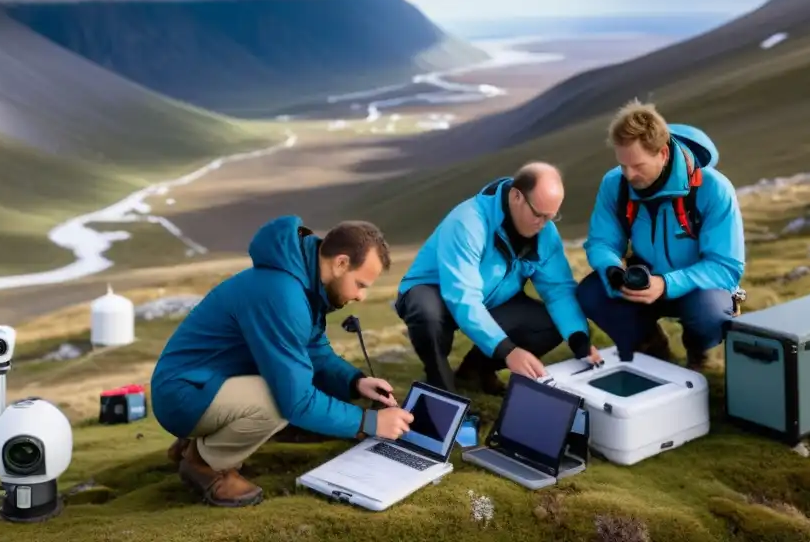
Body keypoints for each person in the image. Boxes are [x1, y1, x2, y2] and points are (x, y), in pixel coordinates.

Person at [150, 215, 413, 508]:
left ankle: (200, 441)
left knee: (285, 389)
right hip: (184, 395)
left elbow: (314, 350)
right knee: (278, 401)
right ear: (340, 263)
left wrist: (355, 381)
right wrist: (370, 422)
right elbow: (296, 401)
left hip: (205, 384)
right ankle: (204, 464)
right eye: (360, 284)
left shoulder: (302, 285)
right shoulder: (283, 295)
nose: (361, 297)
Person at [394, 162, 602, 394]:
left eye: (551, 217)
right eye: (538, 215)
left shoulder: (545, 232)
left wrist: (578, 339)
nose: (543, 225)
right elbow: (463, 296)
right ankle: (440, 387)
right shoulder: (469, 222)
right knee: (427, 313)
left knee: (551, 325)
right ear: (516, 196)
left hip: (491, 299)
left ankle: (473, 374)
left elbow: (559, 290)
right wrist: (507, 350)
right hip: (435, 292)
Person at [577, 100, 746, 371]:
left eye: (638, 165)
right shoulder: (614, 184)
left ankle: (698, 353)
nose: (628, 175)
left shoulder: (714, 188)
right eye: (622, 165)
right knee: (591, 294)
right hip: (641, 280)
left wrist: (666, 284)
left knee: (710, 315)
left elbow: (726, 267)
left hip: (698, 287)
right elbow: (602, 241)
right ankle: (651, 347)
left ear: (663, 154)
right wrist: (610, 268)